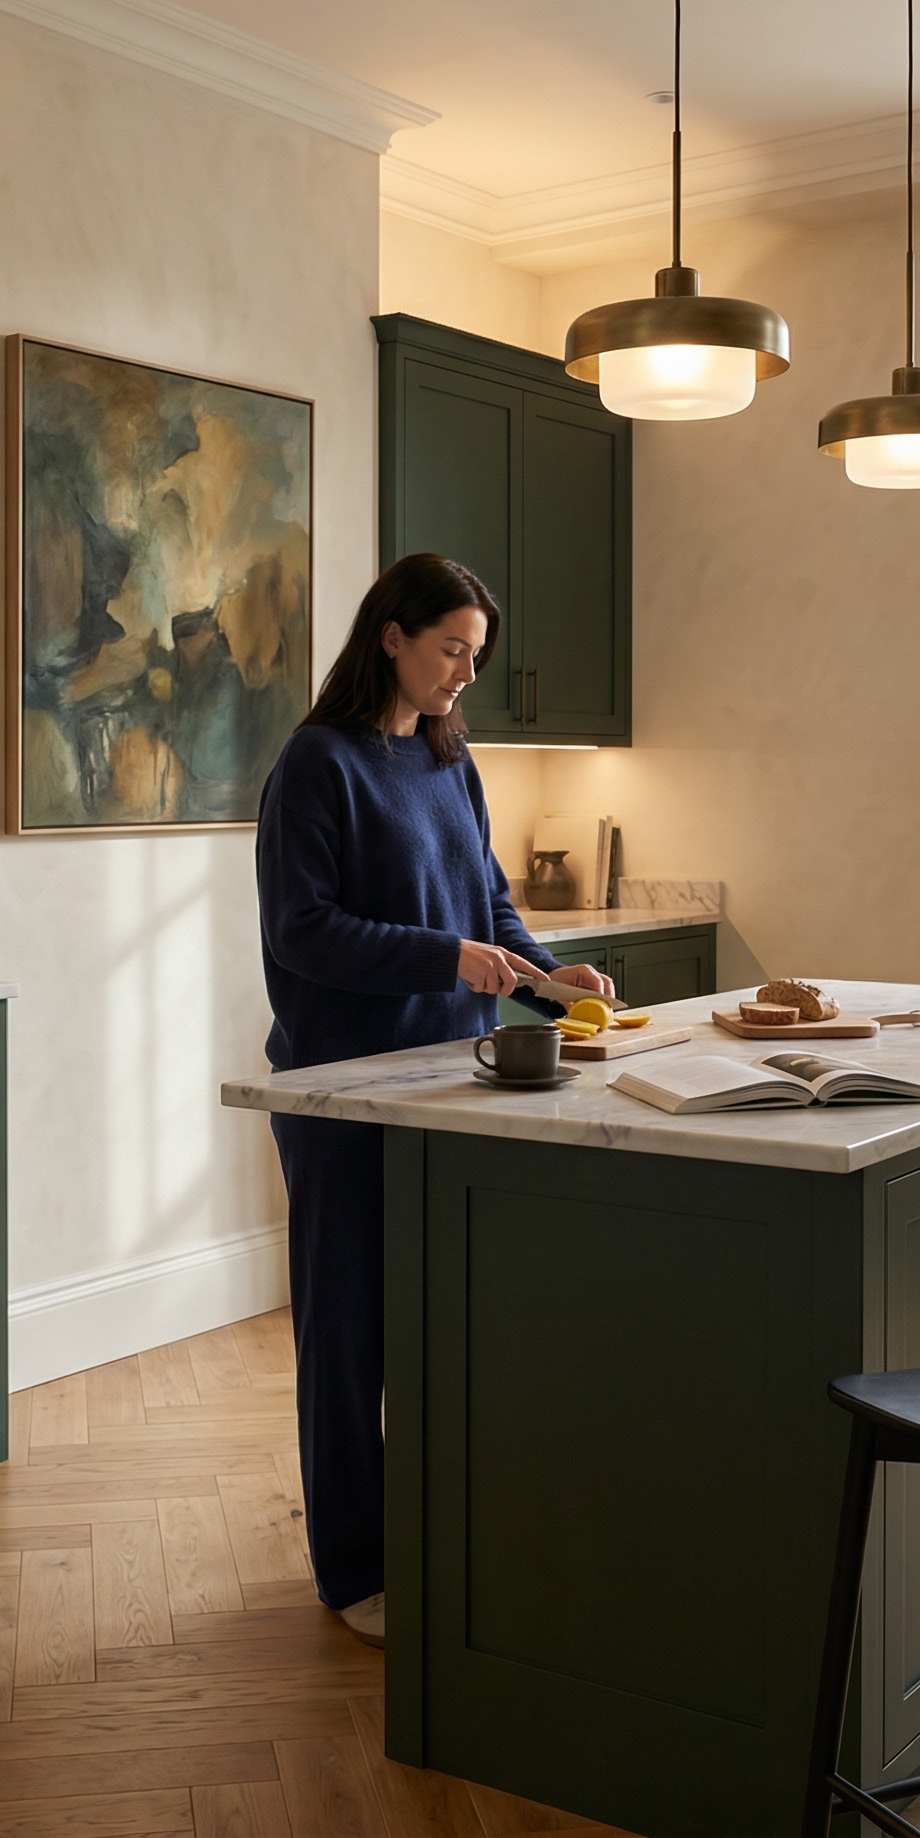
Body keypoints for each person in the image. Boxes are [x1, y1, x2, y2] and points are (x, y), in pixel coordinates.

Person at [254, 553, 614, 1645]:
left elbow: (487, 907)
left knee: (440, 1328)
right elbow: (302, 932)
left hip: (451, 1082)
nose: (466, 672)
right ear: (392, 637)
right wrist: (444, 957)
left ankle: (432, 1534)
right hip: (341, 1093)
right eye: (452, 648)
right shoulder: (316, 764)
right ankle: (354, 1571)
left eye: (476, 654)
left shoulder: (451, 761)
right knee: (346, 1340)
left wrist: (549, 979)